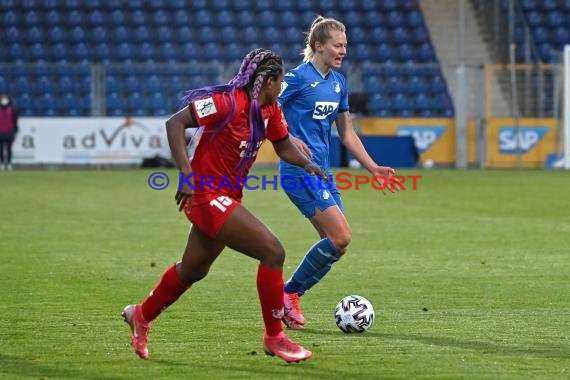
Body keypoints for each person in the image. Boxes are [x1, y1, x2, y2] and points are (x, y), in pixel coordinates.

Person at [122, 49, 327, 363]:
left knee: (193, 270)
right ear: (268, 81)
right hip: (204, 195)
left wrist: (308, 165)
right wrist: (187, 177)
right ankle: (275, 337)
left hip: (227, 197)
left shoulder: (270, 110)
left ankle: (141, 314)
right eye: (280, 80)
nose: (281, 86)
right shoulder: (226, 102)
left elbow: (283, 144)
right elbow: (175, 124)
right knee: (273, 251)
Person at [278, 16, 396, 329]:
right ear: (319, 46)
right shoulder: (297, 78)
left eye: (345, 45)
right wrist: (288, 137)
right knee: (341, 236)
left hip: (323, 173)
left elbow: (347, 133)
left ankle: (289, 298)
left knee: (337, 246)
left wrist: (372, 167)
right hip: (297, 169)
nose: (343, 51)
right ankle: (287, 294)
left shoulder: (339, 83)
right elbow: (263, 111)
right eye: (337, 45)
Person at [0, 93, 18, 170]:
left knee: (9, 148)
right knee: (1, 149)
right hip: (0, 131)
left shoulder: (12, 108)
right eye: (2, 98)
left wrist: (15, 129)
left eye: (5, 98)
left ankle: (9, 163)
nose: (4, 100)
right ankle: (2, 163)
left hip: (9, 131)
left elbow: (15, 120)